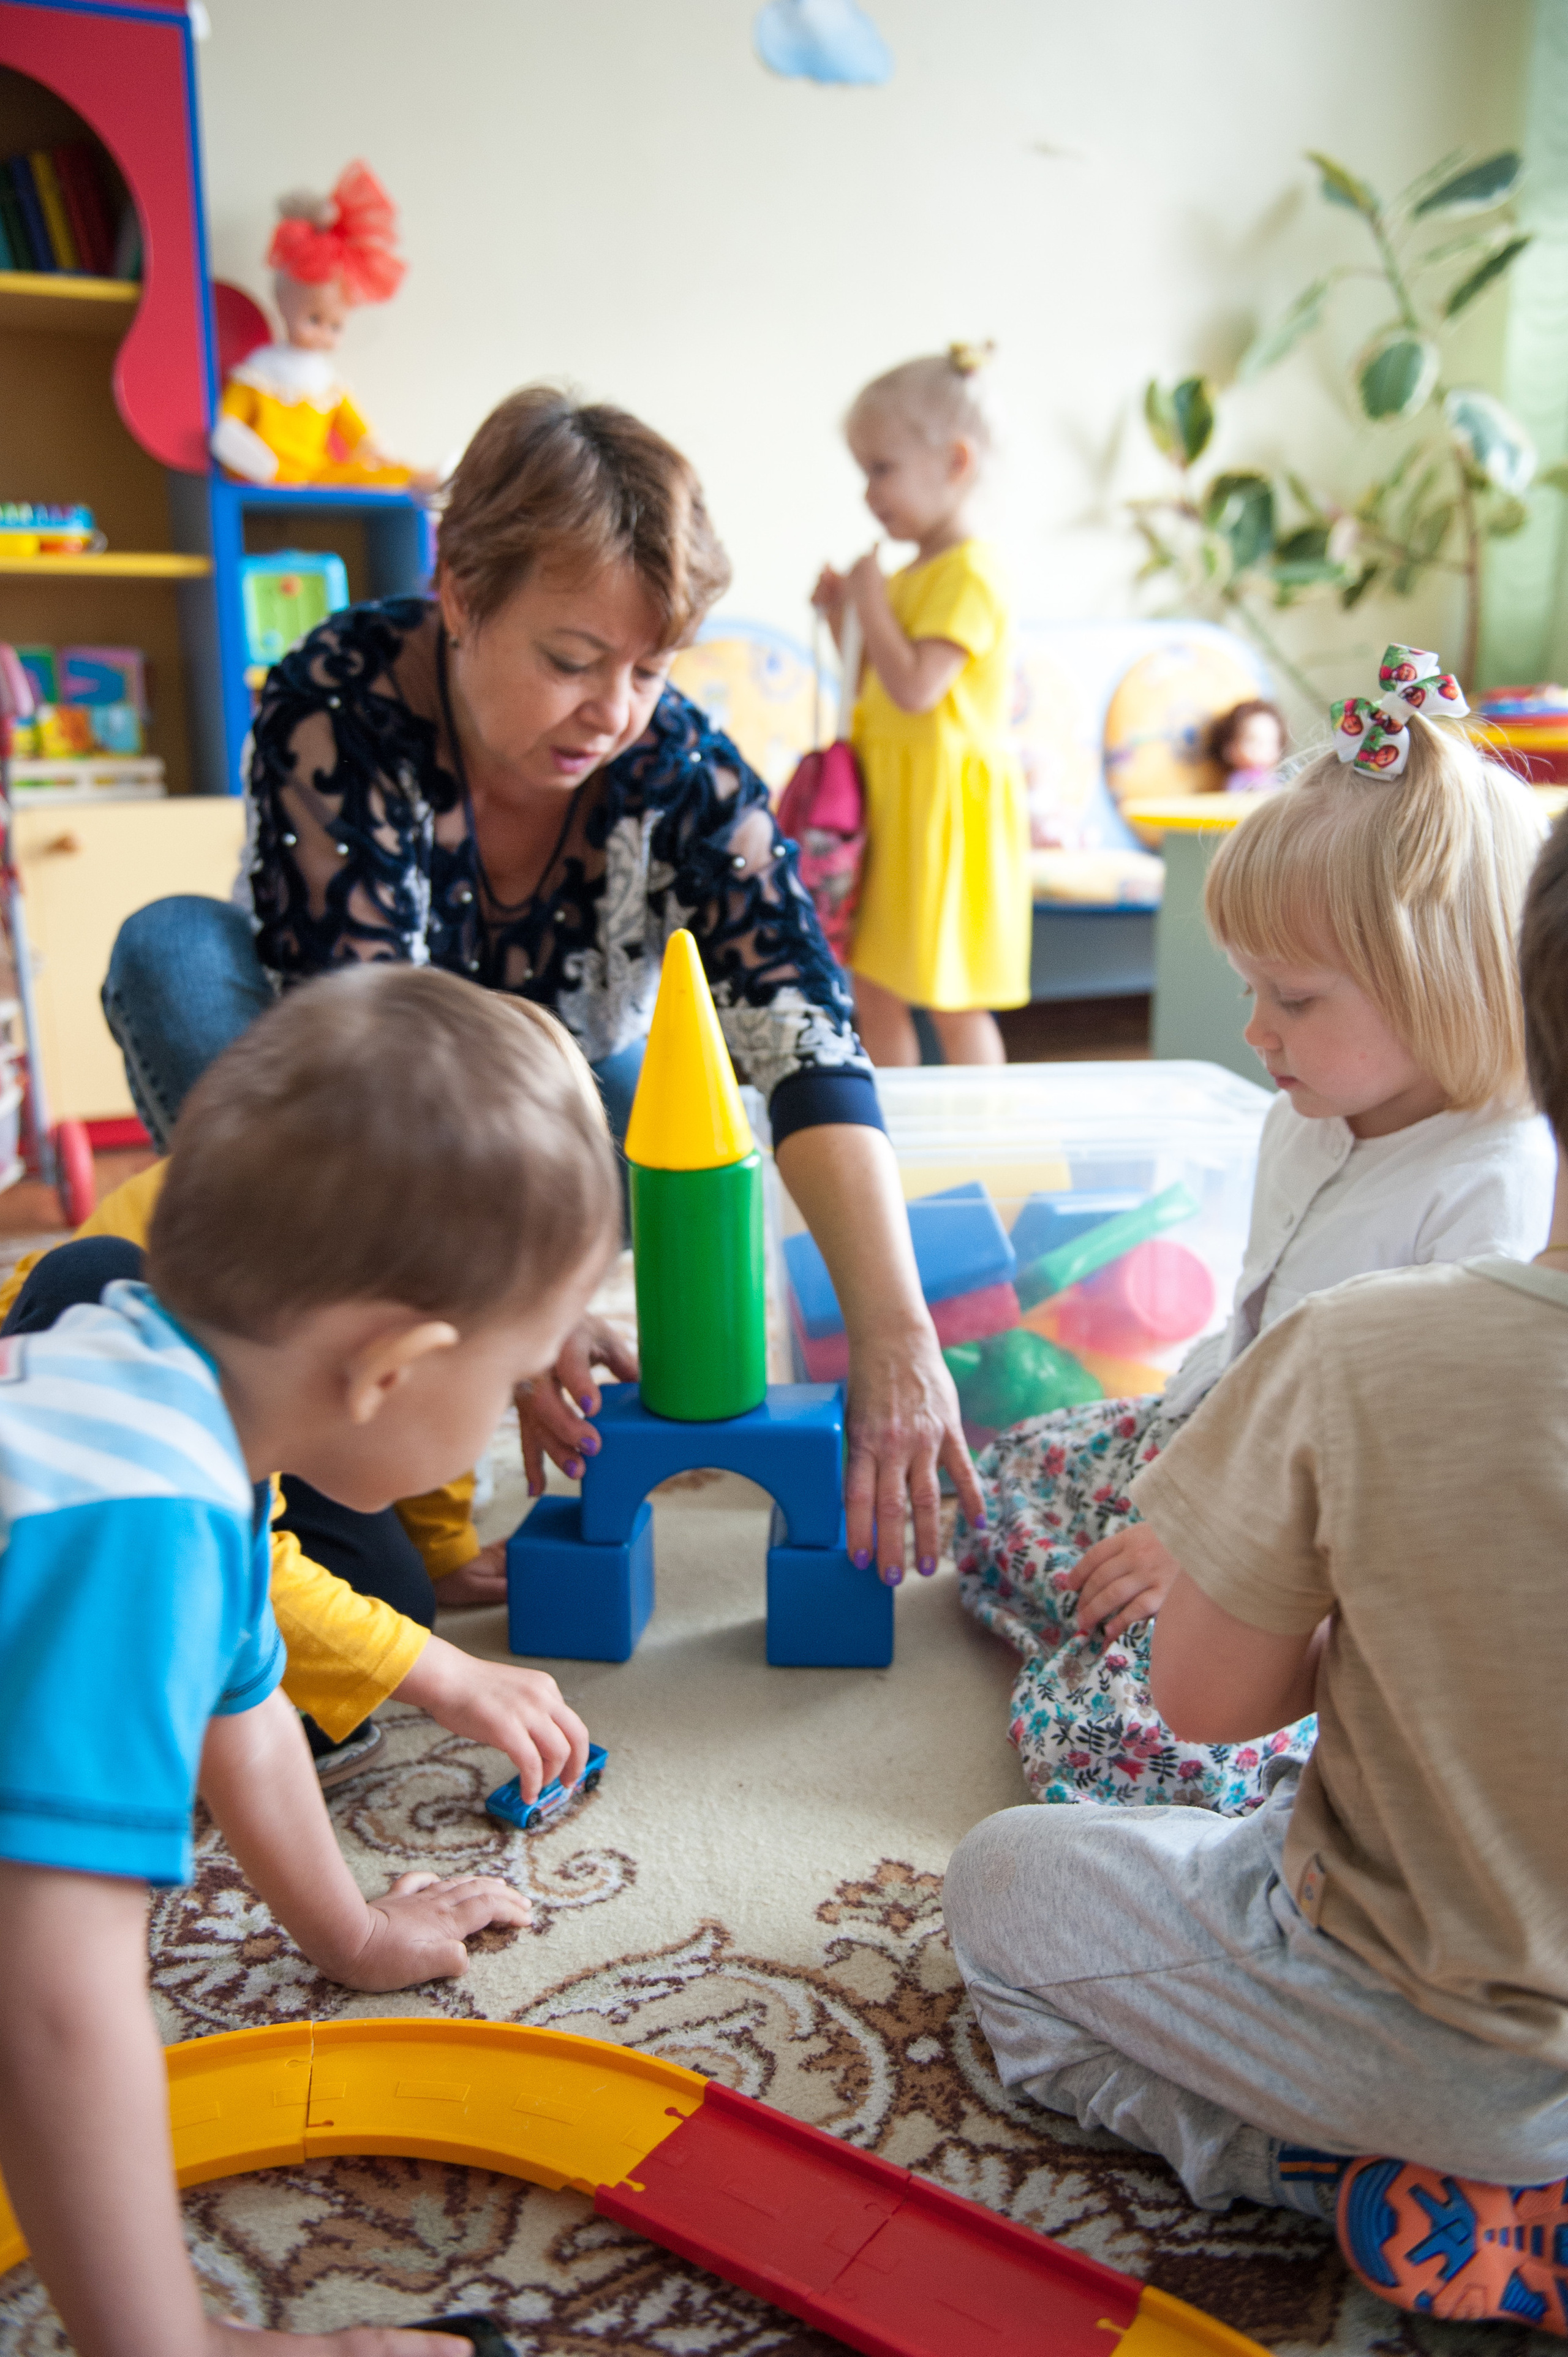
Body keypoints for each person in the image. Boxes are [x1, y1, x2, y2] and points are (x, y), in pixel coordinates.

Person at [104, 387, 981, 1640]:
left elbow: (803, 1029)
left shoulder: (680, 767)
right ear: (460, 595)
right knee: (172, 950)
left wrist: (897, 1333)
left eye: (649, 668)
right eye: (571, 661)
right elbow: (368, 1059)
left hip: (570, 1123)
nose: (613, 711)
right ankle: (293, 1330)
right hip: (370, 1135)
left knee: (656, 1102)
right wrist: (511, 1301)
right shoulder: (339, 701)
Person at [944, 804, 1568, 2338]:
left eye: (1289, 996)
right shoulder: (1319, 1169)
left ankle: (1329, 2172)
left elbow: (1209, 1703)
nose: (1256, 1029)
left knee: (1002, 1886)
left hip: (1430, 2038)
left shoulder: (1375, 1341)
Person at [0, 962, 619, 2357]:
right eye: (506, 1379)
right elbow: (56, 2001)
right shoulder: (137, 1518)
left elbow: (248, 1708)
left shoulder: (171, 1403)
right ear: (390, 1367)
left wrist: (353, 1933)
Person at [958, 652, 1555, 1811]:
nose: (1255, 1031)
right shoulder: (1310, 1111)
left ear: (1445, 980)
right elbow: (1253, 1332)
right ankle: (1098, 1609)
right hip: (1217, 1443)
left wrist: (1217, 1548)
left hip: (1325, 1544)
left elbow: (1418, 1485)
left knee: (1118, 1741)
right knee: (997, 1484)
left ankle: (1124, 1650)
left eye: (1294, 998)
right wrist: (1186, 1483)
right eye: (1249, 989)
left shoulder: (1497, 1180)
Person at [812, 344, 1031, 1069]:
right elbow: (870, 685)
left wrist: (870, 602)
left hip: (944, 813)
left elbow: (916, 689)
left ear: (955, 462)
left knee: (951, 995)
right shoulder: (910, 576)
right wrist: (843, 617)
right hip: (895, 804)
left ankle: (986, 1124)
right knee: (875, 985)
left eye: (882, 469)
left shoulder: (971, 572)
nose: (868, 494)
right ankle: (893, 1122)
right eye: (862, 473)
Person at [1203, 696, 1286, 792]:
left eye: (1271, 742)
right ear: (1230, 748)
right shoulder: (1238, 781)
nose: (1261, 749)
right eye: (1252, 740)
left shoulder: (1273, 779)